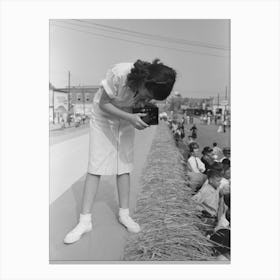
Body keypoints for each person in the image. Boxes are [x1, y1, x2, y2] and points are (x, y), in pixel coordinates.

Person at [63, 59, 176, 244]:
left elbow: (136, 105)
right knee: (95, 166)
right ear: (144, 81)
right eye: (148, 94)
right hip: (103, 116)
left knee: (124, 165)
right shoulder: (120, 73)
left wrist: (139, 117)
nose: (148, 99)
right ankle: (85, 221)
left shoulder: (145, 89)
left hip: (126, 117)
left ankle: (125, 214)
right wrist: (130, 117)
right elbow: (104, 104)